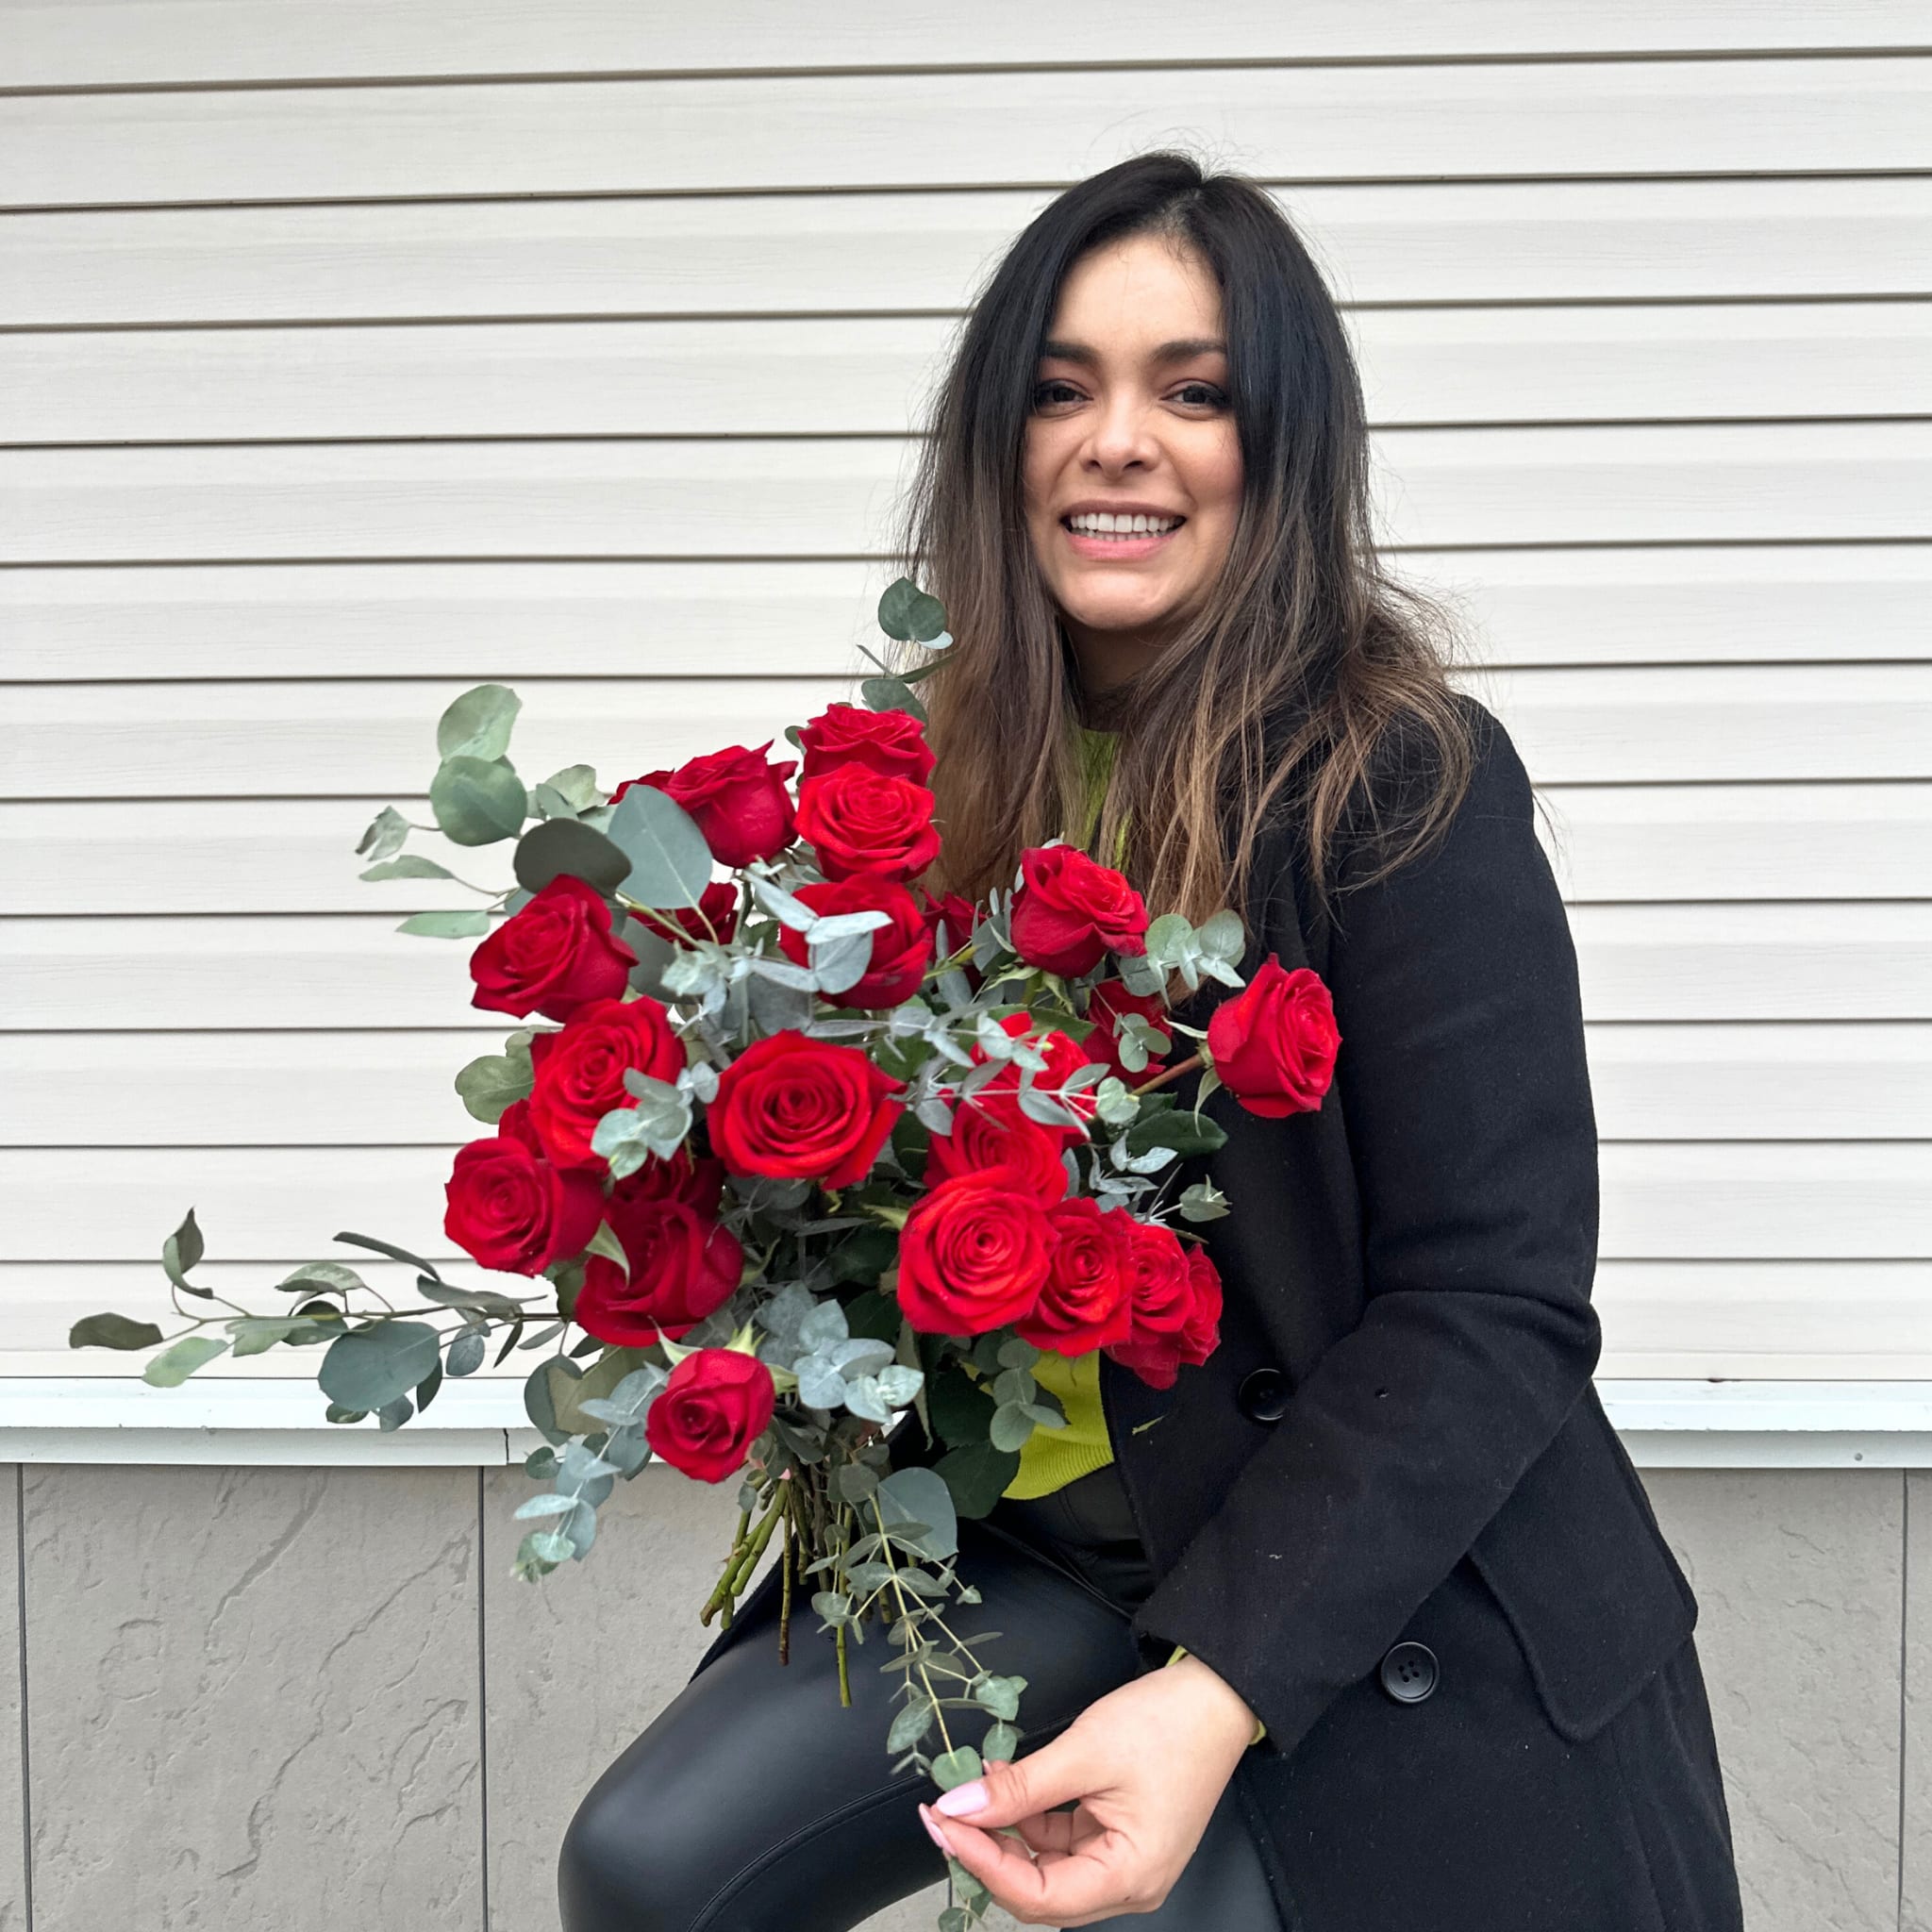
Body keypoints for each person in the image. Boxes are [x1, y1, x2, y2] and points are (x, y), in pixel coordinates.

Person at [558, 150, 1745, 1932]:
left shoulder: (1398, 776)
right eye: (1062, 390)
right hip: (1036, 1545)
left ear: (1280, 446)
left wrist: (1210, 1696)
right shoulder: (922, 795)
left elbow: (1492, 1303)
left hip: (1367, 1560)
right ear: (998, 451)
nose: (1119, 439)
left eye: (1191, 391)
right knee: (651, 1870)